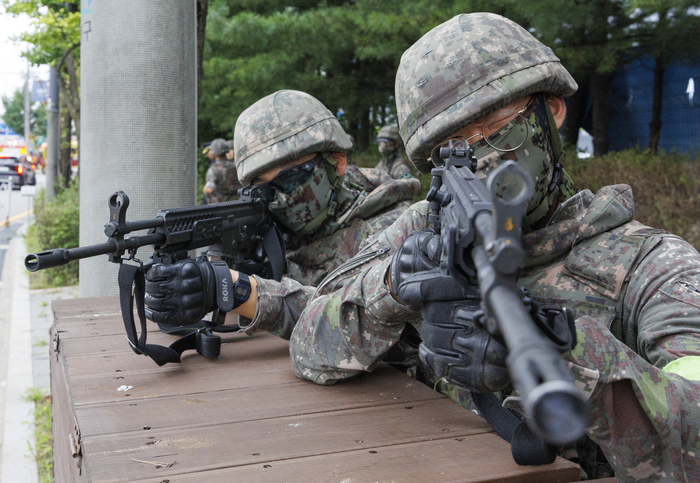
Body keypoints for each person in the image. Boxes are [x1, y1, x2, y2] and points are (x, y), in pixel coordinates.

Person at [146, 16, 700, 480]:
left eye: (496, 130)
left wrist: (563, 349)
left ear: (551, 111)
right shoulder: (420, 230)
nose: (481, 163)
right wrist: (392, 291)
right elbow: (309, 338)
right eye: (452, 153)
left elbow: (692, 433)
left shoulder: (652, 267)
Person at [145, 88, 421, 355]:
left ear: (336, 162)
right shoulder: (278, 224)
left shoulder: (396, 229)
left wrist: (239, 291)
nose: (278, 201)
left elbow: (352, 319)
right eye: (263, 191)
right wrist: (199, 280)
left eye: (289, 181)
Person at [203, 138, 242, 204]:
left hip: (220, 206)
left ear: (214, 152)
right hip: (237, 203)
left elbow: (210, 189)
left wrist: (205, 189)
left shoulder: (214, 169)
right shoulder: (237, 165)